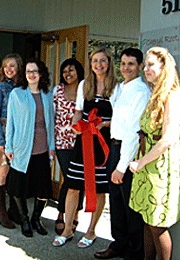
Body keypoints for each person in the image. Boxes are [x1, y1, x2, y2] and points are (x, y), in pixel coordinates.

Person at [129, 47, 180, 260]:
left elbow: (168, 139)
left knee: (157, 224)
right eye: (145, 65)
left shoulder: (172, 96)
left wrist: (141, 162)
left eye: (151, 64)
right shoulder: (156, 93)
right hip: (148, 163)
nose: (146, 69)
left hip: (161, 166)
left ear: (164, 66)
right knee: (148, 219)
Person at [53, 49, 117, 247]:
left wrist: (104, 125)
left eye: (102, 61)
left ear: (109, 63)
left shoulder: (117, 87)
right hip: (83, 140)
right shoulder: (84, 84)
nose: (99, 65)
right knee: (73, 185)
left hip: (103, 142)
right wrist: (76, 126)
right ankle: (68, 229)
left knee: (98, 189)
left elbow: (120, 118)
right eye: (95, 61)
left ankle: (90, 231)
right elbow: (78, 112)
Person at [94, 48, 151, 259]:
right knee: (116, 202)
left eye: (131, 64)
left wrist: (120, 167)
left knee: (129, 205)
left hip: (128, 152)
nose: (126, 68)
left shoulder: (141, 92)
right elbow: (120, 120)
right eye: (123, 63)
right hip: (115, 147)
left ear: (140, 66)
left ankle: (135, 252)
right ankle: (118, 244)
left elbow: (133, 132)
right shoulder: (121, 88)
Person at [5, 59, 55, 238]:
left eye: (35, 71)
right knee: (19, 187)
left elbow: (51, 123)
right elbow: (10, 121)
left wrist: (52, 147)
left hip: (42, 148)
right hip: (21, 148)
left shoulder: (47, 95)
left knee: (43, 189)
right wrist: (8, 146)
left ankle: (36, 218)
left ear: (41, 74)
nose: (31, 74)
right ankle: (24, 219)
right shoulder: (17, 94)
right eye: (28, 71)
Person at [51, 58, 85, 237]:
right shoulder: (57, 91)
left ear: (78, 71)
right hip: (62, 142)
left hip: (82, 142)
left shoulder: (86, 89)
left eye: (71, 70)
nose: (68, 74)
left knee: (80, 180)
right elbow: (51, 116)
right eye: (65, 71)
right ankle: (61, 214)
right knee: (70, 179)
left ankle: (75, 214)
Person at [0, 53, 23, 229]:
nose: (9, 69)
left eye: (12, 66)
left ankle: (14, 211)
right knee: (2, 172)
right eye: (6, 66)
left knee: (15, 173)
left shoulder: (24, 87)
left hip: (19, 134)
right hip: (3, 132)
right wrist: (0, 141)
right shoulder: (0, 88)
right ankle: (1, 213)